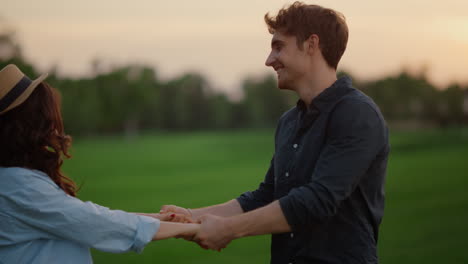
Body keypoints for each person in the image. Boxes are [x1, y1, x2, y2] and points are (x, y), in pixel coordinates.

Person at [161, 2, 390, 263]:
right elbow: (267, 196)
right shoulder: (289, 122)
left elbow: (318, 200)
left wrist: (229, 229)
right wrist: (191, 216)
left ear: (311, 44)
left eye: (278, 47)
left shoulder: (356, 114)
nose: (269, 61)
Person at [0, 64, 197, 263]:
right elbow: (93, 222)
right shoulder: (18, 185)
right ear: (29, 122)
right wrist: (195, 228)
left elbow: (86, 215)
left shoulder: (14, 179)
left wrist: (161, 218)